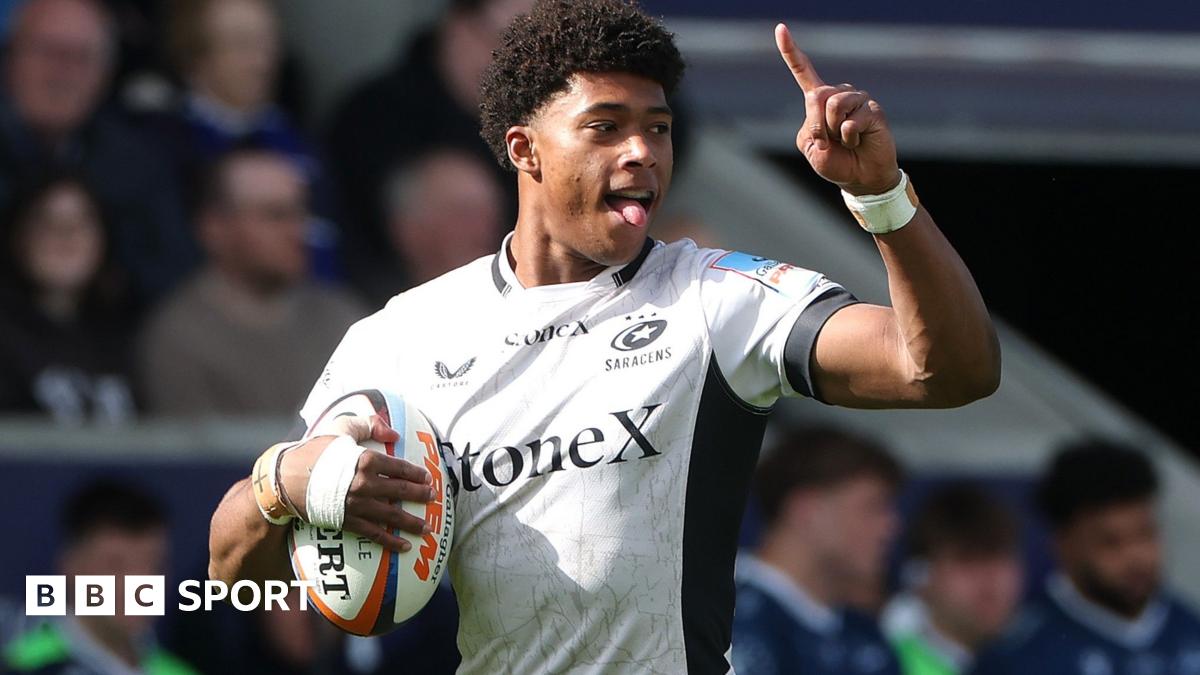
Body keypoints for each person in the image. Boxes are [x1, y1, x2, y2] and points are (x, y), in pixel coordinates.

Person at [208, 1, 1001, 672]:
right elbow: (234, 570)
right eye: (606, 126)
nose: (641, 153)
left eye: (656, 128)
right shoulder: (402, 336)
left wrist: (883, 198)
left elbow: (948, 371)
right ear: (524, 149)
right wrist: (286, 480)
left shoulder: (718, 299)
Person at [138, 147, 365, 418]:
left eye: (300, 211)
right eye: (275, 215)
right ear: (214, 228)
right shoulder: (179, 338)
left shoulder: (343, 319)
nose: (298, 230)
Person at [323, 0, 531, 288]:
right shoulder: (374, 116)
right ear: (458, 28)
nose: (518, 67)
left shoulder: (537, 126)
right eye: (505, 43)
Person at [0, 0, 195, 300]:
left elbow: (169, 273)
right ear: (9, 59)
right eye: (48, 51)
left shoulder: (137, 163)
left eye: (81, 57)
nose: (62, 72)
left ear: (106, 74)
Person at [971, 440, 1200, 675]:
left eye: (1145, 534)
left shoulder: (1191, 628)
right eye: (1111, 542)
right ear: (1064, 545)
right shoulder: (1018, 655)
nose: (1136, 557)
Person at [151, 0, 341, 280]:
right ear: (196, 58)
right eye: (242, 44)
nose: (261, 61)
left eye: (267, 43)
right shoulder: (161, 147)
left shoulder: (302, 145)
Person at [732, 426, 904, 674]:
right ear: (807, 510)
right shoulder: (724, 623)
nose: (891, 527)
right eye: (873, 507)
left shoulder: (866, 636)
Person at [2, 480, 198, 674]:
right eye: (115, 566)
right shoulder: (22, 666)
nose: (140, 584)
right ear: (71, 566)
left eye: (154, 566)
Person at [0, 172, 137, 423]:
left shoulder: (127, 335)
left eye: (82, 222)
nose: (66, 235)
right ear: (17, 237)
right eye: (47, 222)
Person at [883, 483, 1024, 675]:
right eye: (967, 560)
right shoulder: (887, 663)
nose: (991, 578)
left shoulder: (1038, 653)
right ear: (919, 578)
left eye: (1001, 559)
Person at [352, 146, 505, 307]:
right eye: (464, 213)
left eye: (491, 213)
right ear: (410, 229)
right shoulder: (371, 319)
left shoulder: (518, 309)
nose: (485, 228)